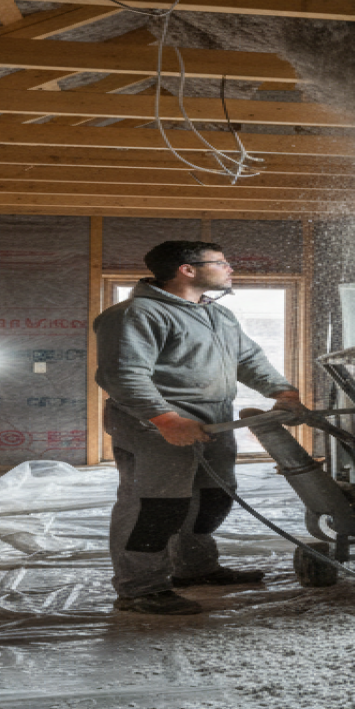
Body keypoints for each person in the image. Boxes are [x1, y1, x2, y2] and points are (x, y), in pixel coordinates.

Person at [94, 241, 306, 615]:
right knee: (155, 508)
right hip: (156, 426)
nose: (230, 268)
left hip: (214, 420)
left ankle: (195, 569)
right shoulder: (136, 314)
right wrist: (165, 419)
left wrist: (283, 391)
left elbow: (248, 358)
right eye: (220, 263)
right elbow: (123, 375)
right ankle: (139, 589)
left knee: (211, 499)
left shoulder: (218, 314)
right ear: (186, 270)